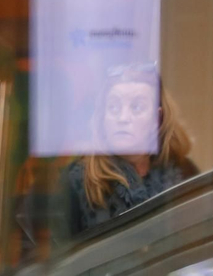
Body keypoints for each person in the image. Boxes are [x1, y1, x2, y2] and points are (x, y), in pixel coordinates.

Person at [64, 65, 197, 237]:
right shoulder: (78, 180)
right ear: (103, 117)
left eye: (136, 107)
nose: (123, 118)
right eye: (114, 107)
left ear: (157, 118)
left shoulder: (182, 171)